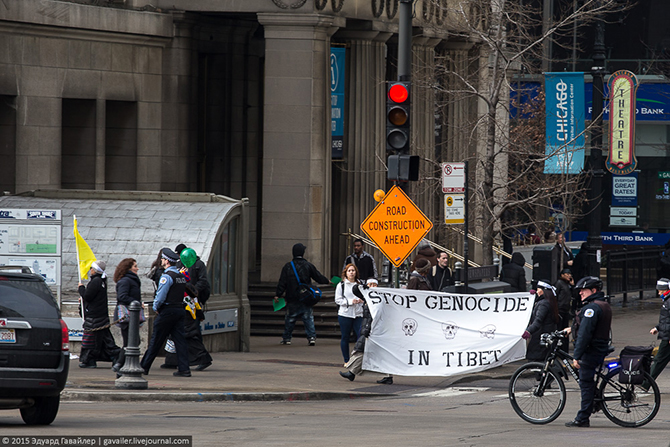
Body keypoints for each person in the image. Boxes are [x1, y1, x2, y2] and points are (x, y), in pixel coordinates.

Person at [564, 276, 612, 428]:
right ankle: (593, 400)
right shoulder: (603, 304)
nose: (580, 293)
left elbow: (585, 334)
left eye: (583, 290)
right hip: (600, 347)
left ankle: (583, 417)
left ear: (593, 290)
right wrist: (571, 329)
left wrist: (576, 356)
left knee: (585, 382)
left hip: (592, 350)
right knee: (589, 382)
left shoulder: (591, 308)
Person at [140, 248, 192, 377]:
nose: (161, 261)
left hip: (167, 311)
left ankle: (143, 367)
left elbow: (161, 296)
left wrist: (155, 307)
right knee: (180, 341)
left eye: (162, 259)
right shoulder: (180, 276)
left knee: (156, 340)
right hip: (179, 310)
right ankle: (184, 369)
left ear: (166, 261)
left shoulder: (167, 276)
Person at [161, 244, 213, 371]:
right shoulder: (179, 265)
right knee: (178, 333)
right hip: (181, 302)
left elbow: (202, 282)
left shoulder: (198, 265)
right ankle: (172, 359)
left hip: (190, 303)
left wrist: (192, 290)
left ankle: (201, 357)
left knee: (189, 332)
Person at [274, 243, 329, 346]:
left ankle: (287, 338)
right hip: (305, 296)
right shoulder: (308, 265)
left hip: (292, 297)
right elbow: (318, 276)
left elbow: (282, 282)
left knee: (290, 318)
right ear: (303, 253)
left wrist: (278, 294)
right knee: (308, 317)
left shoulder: (288, 266)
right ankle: (311, 337)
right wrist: (327, 281)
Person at [78, 261, 120, 368]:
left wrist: (81, 288)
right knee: (104, 339)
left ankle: (90, 359)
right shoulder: (101, 281)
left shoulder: (95, 281)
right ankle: (92, 359)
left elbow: (88, 296)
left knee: (91, 340)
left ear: (94, 270)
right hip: (101, 316)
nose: (90, 270)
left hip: (94, 317)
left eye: (91, 268)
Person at [112, 258, 142, 374]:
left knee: (132, 341)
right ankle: (120, 363)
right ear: (128, 268)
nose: (137, 268)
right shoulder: (125, 281)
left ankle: (120, 363)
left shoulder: (132, 280)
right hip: (127, 315)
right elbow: (122, 296)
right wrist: (136, 303)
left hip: (132, 315)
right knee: (130, 341)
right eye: (135, 266)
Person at [641, 278, 670, 390]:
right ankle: (646, 383)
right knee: (660, 360)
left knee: (659, 360)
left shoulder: (668, 301)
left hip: (668, 337)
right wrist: (657, 328)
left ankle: (646, 384)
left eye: (660, 291)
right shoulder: (667, 300)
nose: (659, 293)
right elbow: (666, 320)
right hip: (667, 335)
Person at [522, 281, 559, 361]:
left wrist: (528, 331)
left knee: (537, 363)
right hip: (545, 336)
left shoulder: (543, 304)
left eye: (538, 289)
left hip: (540, 338)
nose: (537, 291)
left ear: (544, 290)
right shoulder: (549, 302)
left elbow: (538, 320)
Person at [335, 264, 364, 363]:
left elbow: (366, 297)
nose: (351, 272)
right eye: (349, 271)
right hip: (345, 314)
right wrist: (351, 302)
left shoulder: (360, 284)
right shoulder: (341, 285)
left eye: (353, 270)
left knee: (360, 336)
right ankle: (346, 360)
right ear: (346, 273)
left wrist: (361, 300)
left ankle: (357, 358)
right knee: (345, 336)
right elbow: (338, 300)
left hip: (358, 313)